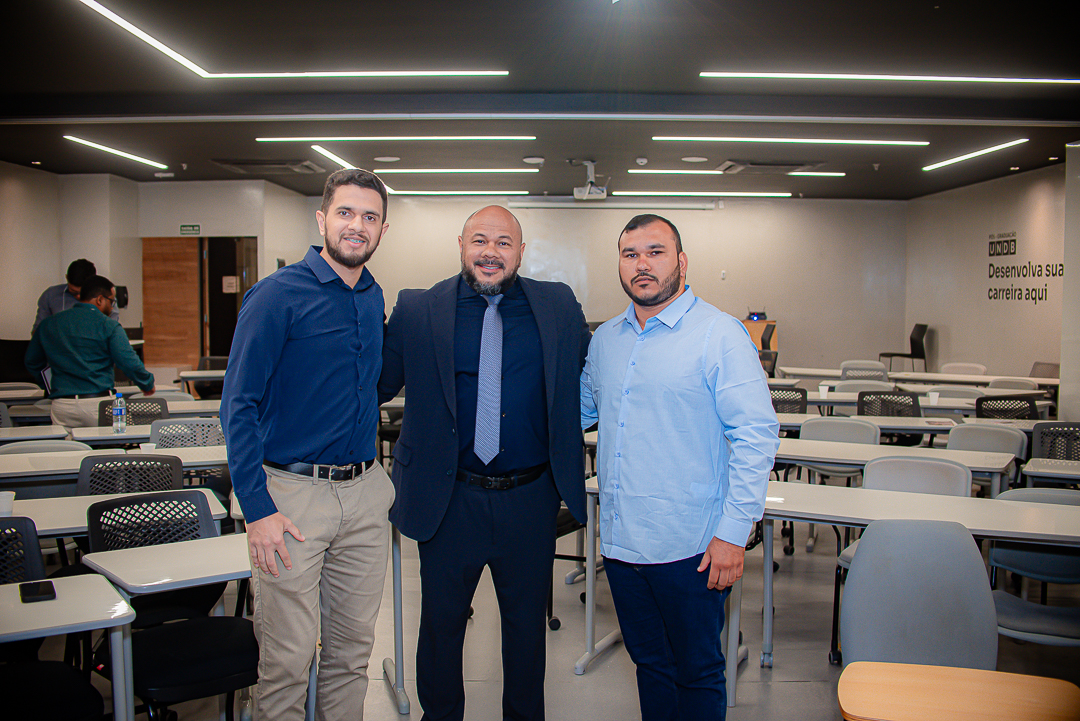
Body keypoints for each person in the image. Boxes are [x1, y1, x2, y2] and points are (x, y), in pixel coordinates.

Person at [379, 205, 590, 721]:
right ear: (461, 245)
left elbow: (596, 376)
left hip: (530, 498)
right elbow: (372, 386)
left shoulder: (557, 306)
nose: (490, 252)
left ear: (521, 251)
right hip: (449, 499)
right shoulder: (418, 309)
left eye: (502, 242)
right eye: (479, 240)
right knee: (441, 627)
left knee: (526, 630)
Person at [579, 214, 779, 720]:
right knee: (650, 665)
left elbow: (756, 435)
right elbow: (577, 413)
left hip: (693, 547)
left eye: (655, 252)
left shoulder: (720, 334)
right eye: (630, 255)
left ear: (682, 262)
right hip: (622, 543)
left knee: (698, 671)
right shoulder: (606, 339)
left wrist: (733, 534)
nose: (641, 265)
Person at [220, 168, 395, 721]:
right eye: (345, 212)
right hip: (291, 499)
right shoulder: (276, 295)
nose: (357, 225)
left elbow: (366, 385)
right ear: (322, 220)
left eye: (369, 216)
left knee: (351, 656)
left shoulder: (371, 295)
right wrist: (257, 509)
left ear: (382, 229)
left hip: (363, 494)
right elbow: (237, 406)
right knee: (287, 664)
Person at [25, 275, 154, 429]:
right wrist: (146, 383)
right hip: (99, 404)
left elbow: (32, 361)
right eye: (111, 302)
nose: (112, 307)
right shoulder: (108, 325)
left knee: (66, 445)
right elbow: (128, 361)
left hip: (62, 405)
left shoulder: (48, 324)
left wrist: (48, 386)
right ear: (100, 299)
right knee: (115, 442)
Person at [33, 258, 118, 334]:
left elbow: (112, 332)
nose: (78, 296)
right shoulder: (50, 295)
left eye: (84, 292)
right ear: (67, 278)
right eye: (73, 292)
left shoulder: (106, 299)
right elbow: (37, 332)